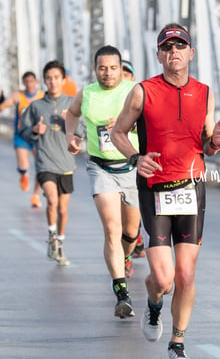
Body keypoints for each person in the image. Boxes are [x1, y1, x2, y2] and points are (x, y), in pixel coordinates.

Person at [110, 23, 220, 359]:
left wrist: (217, 141)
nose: (174, 53)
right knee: (164, 279)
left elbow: (207, 145)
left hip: (192, 189)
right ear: (159, 54)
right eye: (167, 48)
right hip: (155, 190)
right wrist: (136, 157)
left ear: (191, 53)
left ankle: (177, 342)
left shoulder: (205, 93)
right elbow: (118, 133)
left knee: (186, 273)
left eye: (180, 46)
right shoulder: (142, 91)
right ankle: (154, 303)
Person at [65, 45, 141, 319]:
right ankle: (121, 292)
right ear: (94, 69)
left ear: (121, 69)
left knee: (130, 233)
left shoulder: (134, 91)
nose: (107, 73)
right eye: (101, 68)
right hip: (100, 167)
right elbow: (71, 114)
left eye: (112, 68)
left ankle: (127, 254)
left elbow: (150, 121)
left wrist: (127, 125)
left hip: (131, 168)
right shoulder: (86, 93)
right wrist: (70, 137)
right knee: (112, 228)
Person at [19, 61, 78, 266]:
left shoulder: (72, 104)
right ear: (44, 81)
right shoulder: (35, 106)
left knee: (63, 208)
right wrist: (35, 130)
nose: (52, 82)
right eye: (49, 78)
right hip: (45, 162)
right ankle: (52, 236)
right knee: (51, 200)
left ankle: (60, 241)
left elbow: (83, 132)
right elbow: (23, 131)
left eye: (56, 78)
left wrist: (68, 125)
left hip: (66, 163)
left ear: (63, 80)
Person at [0, 71, 44, 207]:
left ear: (36, 82)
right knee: (23, 165)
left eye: (32, 81)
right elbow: (2, 107)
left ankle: (36, 195)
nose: (30, 84)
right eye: (27, 82)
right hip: (22, 135)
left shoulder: (42, 96)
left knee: (41, 167)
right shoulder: (18, 96)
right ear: (24, 83)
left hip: (38, 136)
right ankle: (24, 174)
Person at [121, 59, 146, 259]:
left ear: (133, 78)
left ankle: (134, 238)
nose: (122, 76)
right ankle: (130, 245)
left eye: (126, 73)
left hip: (138, 160)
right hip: (115, 162)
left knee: (135, 205)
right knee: (122, 212)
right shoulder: (109, 99)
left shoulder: (141, 98)